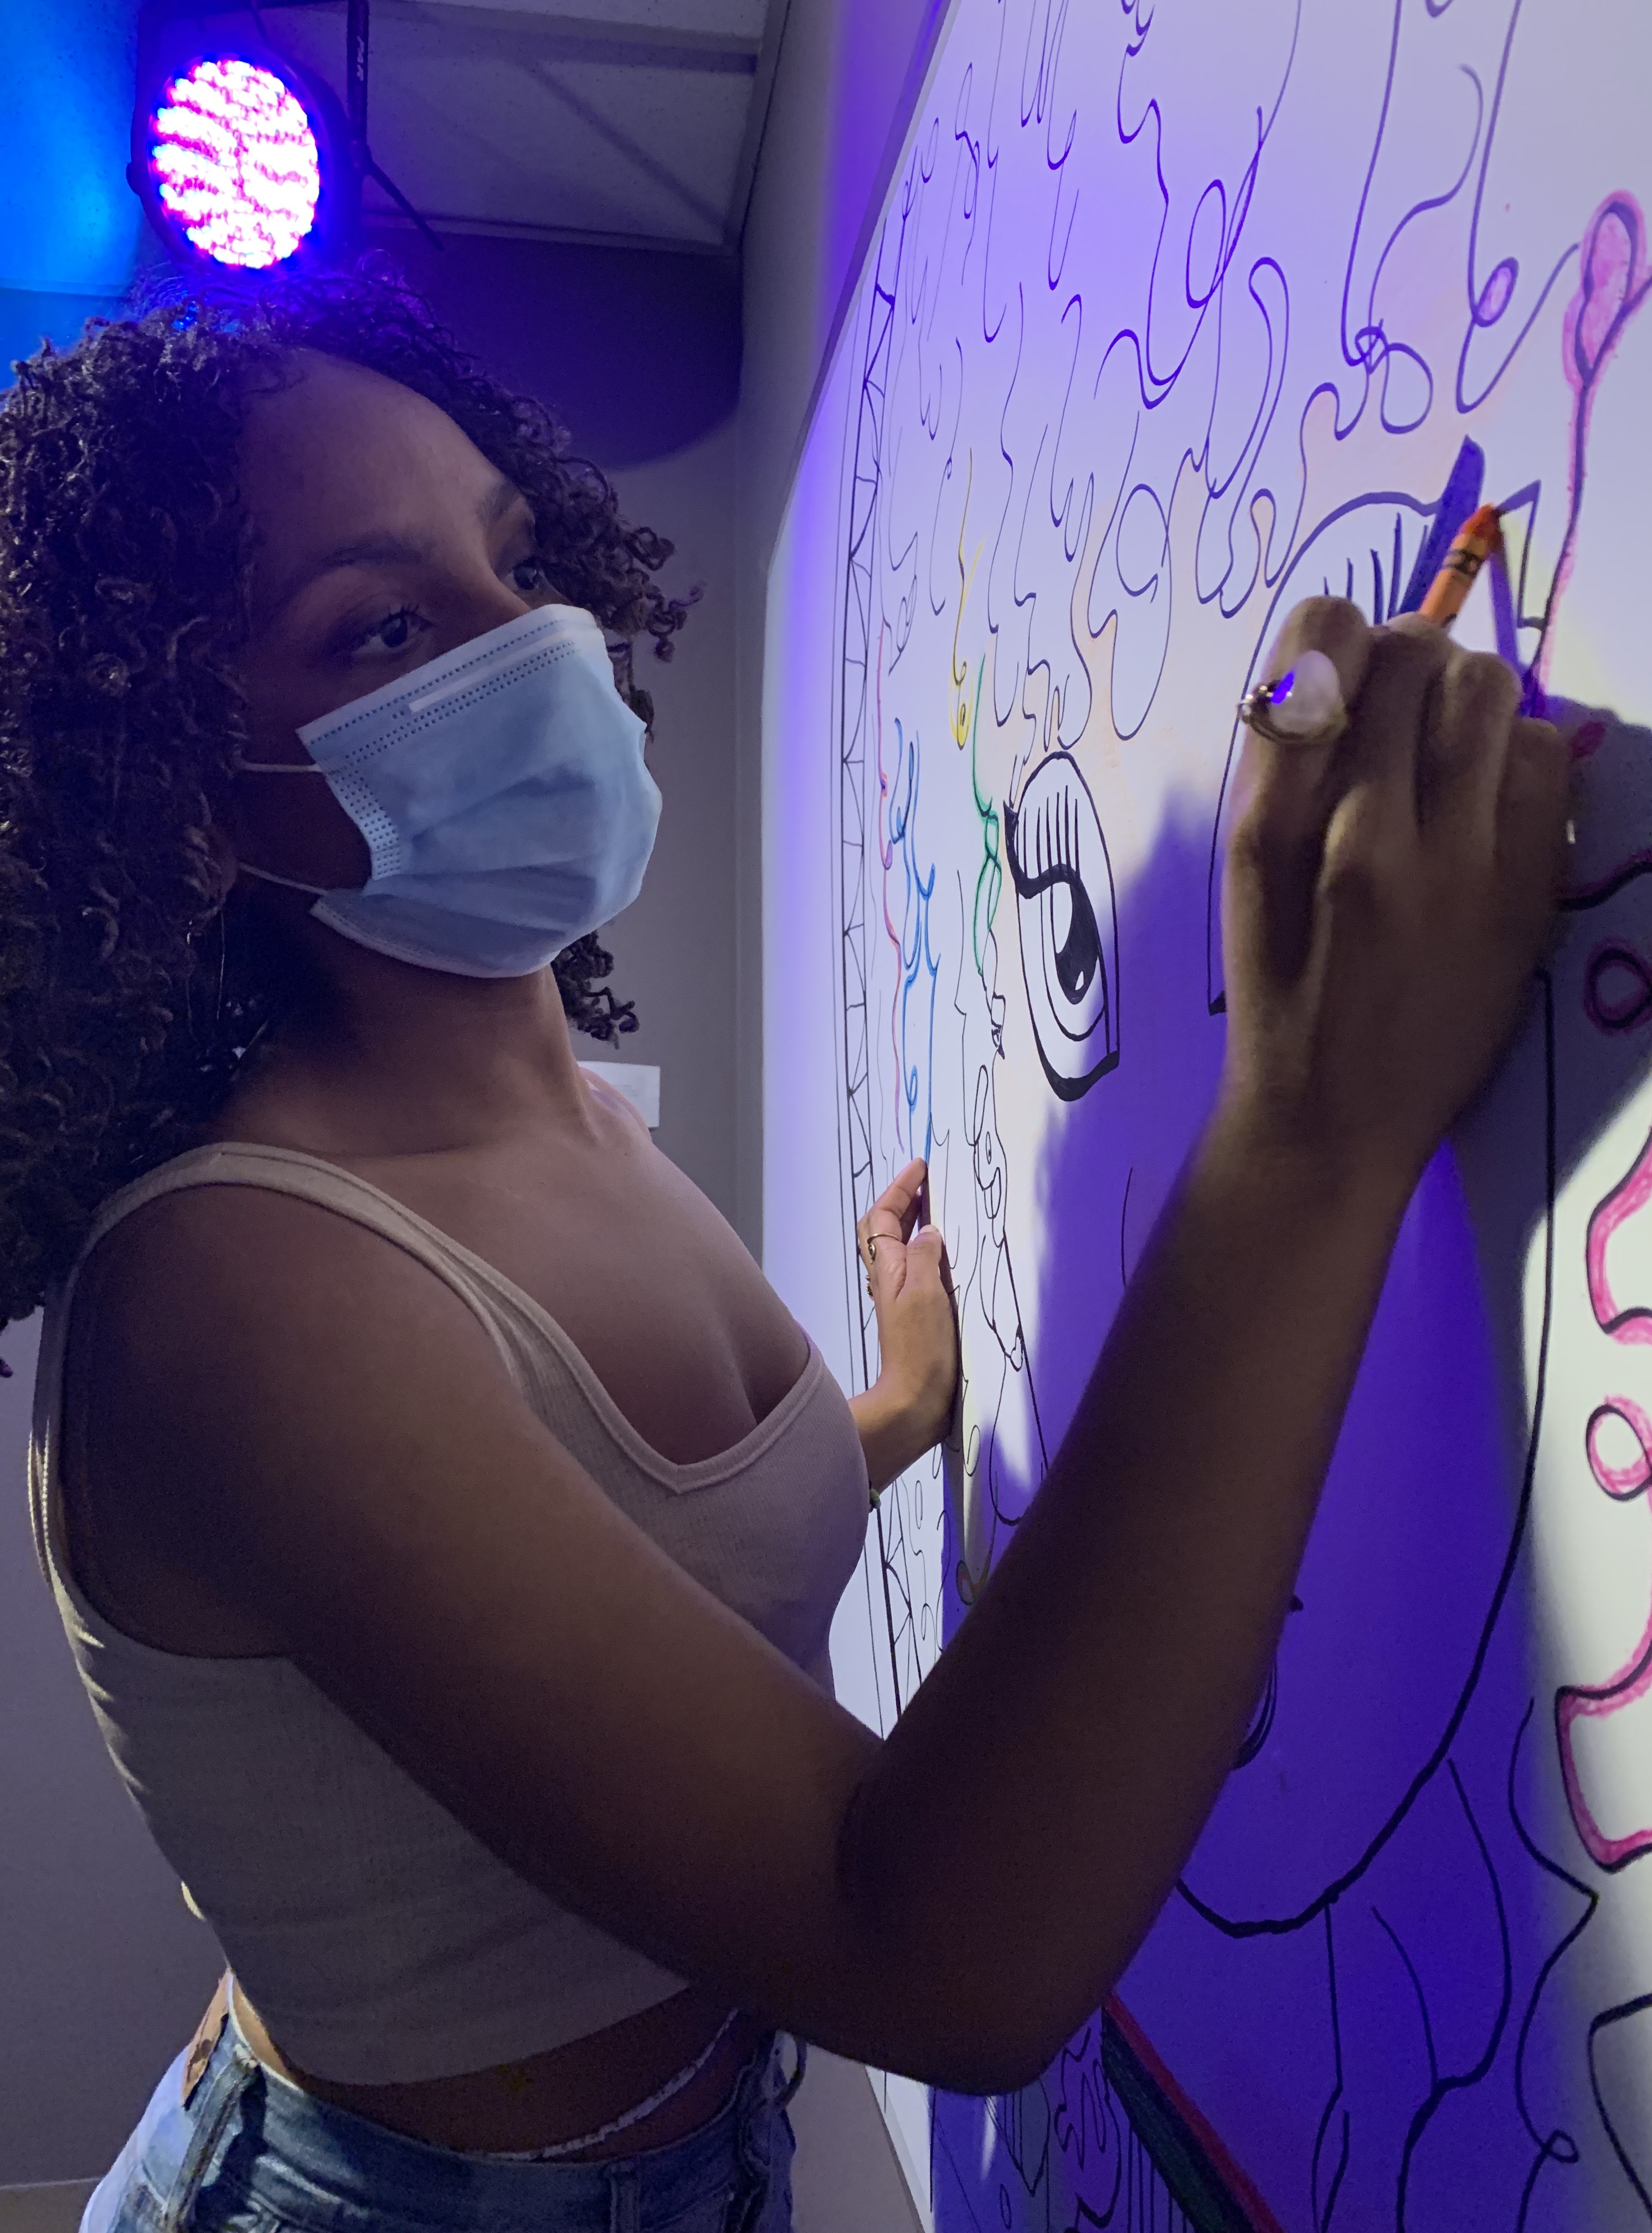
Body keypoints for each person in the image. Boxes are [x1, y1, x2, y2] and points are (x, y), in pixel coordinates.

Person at [0, 265, 1569, 2233]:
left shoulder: (571, 1114)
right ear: (176, 792)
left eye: (515, 559)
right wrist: (1312, 1128)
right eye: (383, 627)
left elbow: (596, 1547)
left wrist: (886, 1411)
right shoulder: (230, 1295)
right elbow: (935, 1956)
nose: (538, 640)